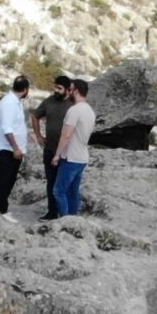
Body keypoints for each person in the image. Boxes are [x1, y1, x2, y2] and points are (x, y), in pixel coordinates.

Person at [49, 77, 94, 220]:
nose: (68, 91)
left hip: (71, 157)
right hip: (82, 157)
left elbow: (66, 135)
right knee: (73, 191)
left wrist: (57, 155)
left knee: (59, 191)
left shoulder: (74, 111)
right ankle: (74, 220)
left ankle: (65, 220)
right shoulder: (90, 111)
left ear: (76, 91)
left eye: (70, 89)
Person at [0, 74, 30, 213]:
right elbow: (7, 128)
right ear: (25, 89)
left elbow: (16, 126)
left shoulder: (16, 101)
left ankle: (2, 209)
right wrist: (16, 148)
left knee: (8, 181)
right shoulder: (9, 103)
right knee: (3, 180)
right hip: (7, 149)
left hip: (12, 150)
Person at [32, 76, 73, 219]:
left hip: (67, 152)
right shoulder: (49, 101)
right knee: (51, 182)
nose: (56, 90)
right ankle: (52, 212)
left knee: (64, 184)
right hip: (49, 150)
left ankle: (66, 214)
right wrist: (38, 135)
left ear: (68, 90)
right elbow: (35, 116)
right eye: (55, 87)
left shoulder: (73, 104)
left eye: (59, 88)